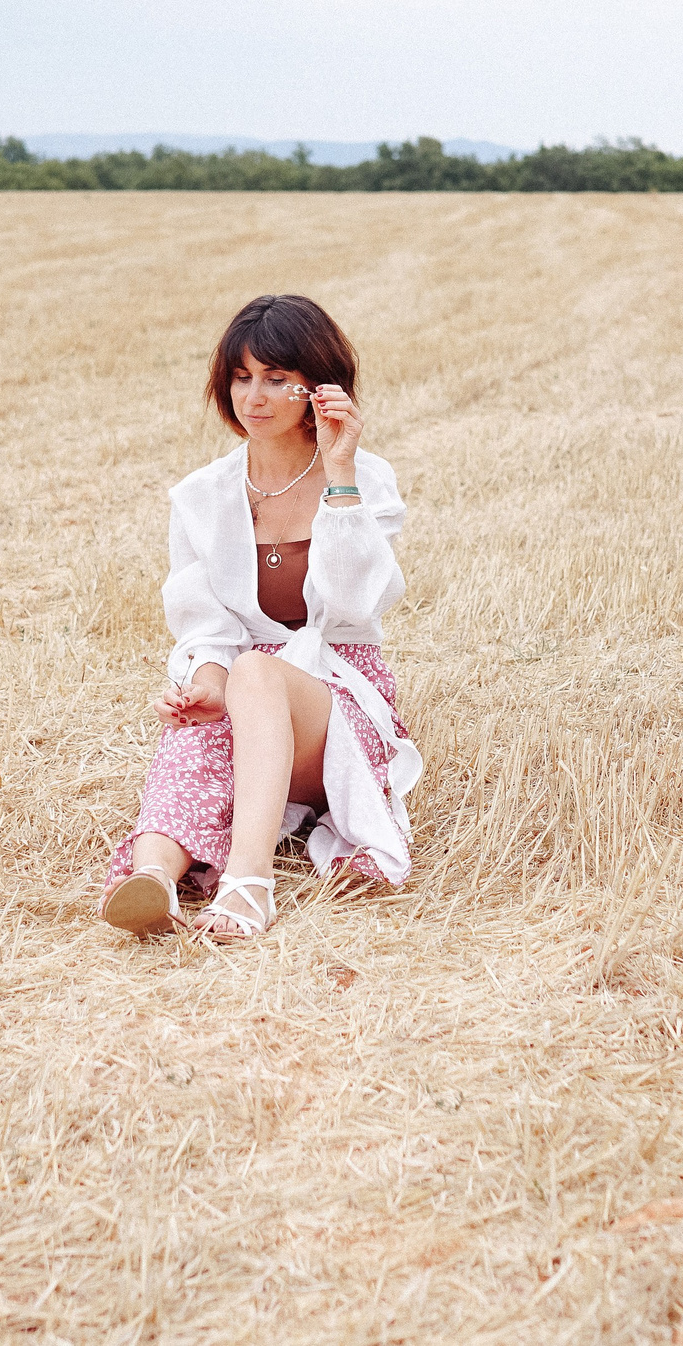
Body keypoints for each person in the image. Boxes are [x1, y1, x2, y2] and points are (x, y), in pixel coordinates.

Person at [98, 294, 420, 941]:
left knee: (255, 672)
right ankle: (154, 876)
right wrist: (206, 682)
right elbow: (205, 624)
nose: (255, 395)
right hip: (250, 685)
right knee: (206, 718)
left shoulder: (364, 479)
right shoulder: (201, 496)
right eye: (241, 377)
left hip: (336, 695)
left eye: (276, 377)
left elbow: (358, 604)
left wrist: (340, 474)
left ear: (317, 388)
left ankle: (249, 886)